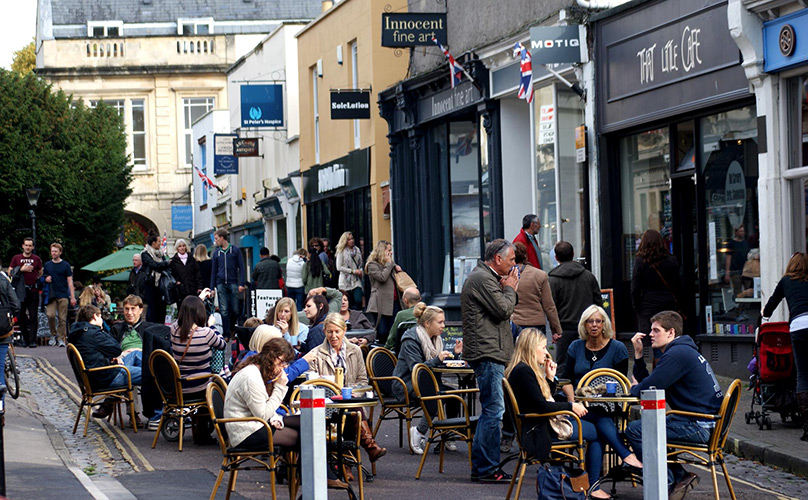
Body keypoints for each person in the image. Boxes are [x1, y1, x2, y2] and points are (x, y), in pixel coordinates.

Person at [505, 328, 616, 499]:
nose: (546, 351)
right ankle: (593, 485)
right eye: (542, 347)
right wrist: (571, 406)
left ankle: (595, 480)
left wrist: (550, 378)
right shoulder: (523, 371)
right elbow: (541, 406)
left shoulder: (521, 369)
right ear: (531, 347)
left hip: (537, 426)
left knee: (597, 421)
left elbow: (538, 401)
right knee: (597, 433)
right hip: (539, 430)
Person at [627, 311, 724, 500]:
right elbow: (650, 385)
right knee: (656, 427)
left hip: (699, 426)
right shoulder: (682, 350)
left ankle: (667, 483)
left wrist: (634, 389)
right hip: (704, 422)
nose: (651, 335)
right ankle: (679, 477)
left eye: (656, 330)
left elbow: (643, 389)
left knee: (635, 430)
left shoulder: (677, 355)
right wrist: (638, 355)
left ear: (671, 333)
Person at [559, 305, 640, 495]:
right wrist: (574, 402)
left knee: (600, 418)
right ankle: (624, 457)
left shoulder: (617, 348)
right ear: (584, 325)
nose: (594, 325)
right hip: (580, 408)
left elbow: (620, 383)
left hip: (609, 406)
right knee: (596, 432)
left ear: (604, 324)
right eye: (590, 321)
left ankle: (593, 484)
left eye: (598, 321)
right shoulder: (575, 346)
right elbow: (566, 379)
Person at [461, 238, 519, 482]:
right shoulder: (483, 279)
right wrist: (511, 288)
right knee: (494, 411)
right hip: (487, 353)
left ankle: (483, 467)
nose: (514, 265)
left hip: (491, 351)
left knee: (492, 410)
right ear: (498, 258)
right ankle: (486, 469)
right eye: (511, 259)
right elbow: (504, 310)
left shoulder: (487, 277)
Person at [307, 313, 387, 462]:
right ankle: (368, 449)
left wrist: (353, 391)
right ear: (324, 331)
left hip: (350, 400)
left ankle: (346, 464)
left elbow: (362, 380)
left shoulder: (355, 351)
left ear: (344, 331)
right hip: (326, 404)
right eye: (330, 331)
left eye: (337, 331)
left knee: (352, 410)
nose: (334, 336)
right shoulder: (316, 353)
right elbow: (312, 383)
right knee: (353, 412)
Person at [394, 303, 463, 454]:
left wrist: (455, 354)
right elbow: (417, 370)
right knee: (437, 396)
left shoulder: (436, 339)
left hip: (429, 383)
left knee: (453, 395)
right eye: (440, 322)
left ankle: (448, 434)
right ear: (427, 323)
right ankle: (418, 432)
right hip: (406, 384)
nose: (443, 326)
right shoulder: (410, 339)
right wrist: (438, 359)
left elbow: (436, 365)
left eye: (443, 322)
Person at [762, 252, 808, 441]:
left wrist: (765, 315)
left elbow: (772, 302)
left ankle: (807, 428)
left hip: (798, 328)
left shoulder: (786, 281)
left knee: (803, 375)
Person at [170, 293, 227, 444]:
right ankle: (214, 430)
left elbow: (180, 320)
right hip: (200, 386)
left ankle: (200, 426)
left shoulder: (174, 330)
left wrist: (198, 299)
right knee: (222, 384)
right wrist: (213, 324)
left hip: (180, 386)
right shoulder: (207, 333)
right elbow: (222, 344)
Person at [224, 338, 299, 449]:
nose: (284, 367)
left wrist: (275, 417)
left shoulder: (256, 370)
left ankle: (294, 466)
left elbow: (263, 405)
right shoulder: (251, 377)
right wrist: (280, 387)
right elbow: (262, 415)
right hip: (245, 432)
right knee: (300, 437)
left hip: (253, 423)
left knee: (303, 423)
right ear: (271, 358)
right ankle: (297, 466)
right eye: (281, 362)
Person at [548, 241, 601, 373]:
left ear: (556, 257)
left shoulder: (553, 280)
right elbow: (598, 303)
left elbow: (551, 307)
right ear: (573, 254)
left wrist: (554, 329)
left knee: (563, 366)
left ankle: (563, 392)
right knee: (590, 362)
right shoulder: (589, 277)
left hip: (564, 328)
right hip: (587, 327)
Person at [67, 305, 130, 391]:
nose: (102, 320)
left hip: (94, 376)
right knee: (146, 374)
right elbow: (117, 349)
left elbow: (92, 354)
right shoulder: (94, 334)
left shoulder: (79, 332)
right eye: (100, 317)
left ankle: (110, 401)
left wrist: (110, 359)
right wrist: (102, 330)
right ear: (95, 316)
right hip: (105, 378)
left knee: (135, 355)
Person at [632, 229, 683, 333]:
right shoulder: (670, 260)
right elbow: (678, 284)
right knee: (668, 334)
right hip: (668, 303)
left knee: (650, 337)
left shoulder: (640, 261)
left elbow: (635, 287)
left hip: (648, 305)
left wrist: (637, 306)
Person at [511, 242, 561, 335]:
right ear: (526, 256)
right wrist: (556, 329)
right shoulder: (540, 275)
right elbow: (549, 306)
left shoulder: (507, 276)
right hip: (536, 323)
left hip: (515, 323)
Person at [210, 228, 246, 341]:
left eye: (216, 239)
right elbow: (214, 271)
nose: (215, 241)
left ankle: (232, 329)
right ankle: (226, 334)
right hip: (221, 283)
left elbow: (242, 267)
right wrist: (212, 287)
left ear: (222, 238)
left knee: (235, 309)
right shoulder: (217, 253)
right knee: (223, 309)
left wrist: (242, 283)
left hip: (233, 282)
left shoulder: (235, 250)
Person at [365, 240, 401, 344]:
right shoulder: (372, 265)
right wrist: (389, 264)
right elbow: (382, 277)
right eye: (389, 250)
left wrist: (395, 267)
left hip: (394, 302)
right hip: (380, 303)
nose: (391, 253)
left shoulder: (390, 264)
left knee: (394, 331)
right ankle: (381, 354)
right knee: (383, 332)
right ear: (382, 251)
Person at [9, 237, 42, 348]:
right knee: (20, 315)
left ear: (32, 247)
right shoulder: (16, 258)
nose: (28, 247)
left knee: (33, 316)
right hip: (20, 290)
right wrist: (21, 269)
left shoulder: (36, 258)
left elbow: (40, 272)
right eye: (26, 245)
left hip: (33, 290)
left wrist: (35, 279)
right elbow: (10, 272)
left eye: (30, 245)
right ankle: (26, 338)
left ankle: (32, 340)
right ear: (23, 246)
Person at [43, 242, 77, 347]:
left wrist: (72, 296)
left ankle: (61, 338)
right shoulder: (47, 265)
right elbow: (42, 278)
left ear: (60, 252)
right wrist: (46, 279)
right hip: (51, 295)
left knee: (62, 318)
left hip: (63, 294)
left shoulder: (65, 265)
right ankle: (53, 334)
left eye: (55, 251)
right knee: (50, 315)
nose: (53, 253)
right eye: (52, 251)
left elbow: (70, 282)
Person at [0, 260, 20, 400]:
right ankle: (1, 409)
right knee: (0, 366)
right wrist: (12, 317)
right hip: (3, 329)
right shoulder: (4, 280)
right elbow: (16, 304)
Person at [141, 232, 170, 324]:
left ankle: (161, 326)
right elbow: (154, 265)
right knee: (152, 308)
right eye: (158, 241)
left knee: (162, 308)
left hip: (161, 284)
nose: (160, 243)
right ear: (153, 243)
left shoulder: (161, 254)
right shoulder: (145, 254)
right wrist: (166, 263)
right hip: (151, 284)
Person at [385, 286, 421, 353]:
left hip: (405, 351)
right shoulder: (428, 312)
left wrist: (386, 348)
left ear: (405, 300)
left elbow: (392, 337)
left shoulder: (401, 315)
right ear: (420, 299)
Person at [336, 232, 364, 309]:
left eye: (352, 238)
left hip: (356, 279)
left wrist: (360, 271)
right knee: (348, 302)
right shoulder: (341, 251)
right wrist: (353, 271)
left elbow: (360, 264)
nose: (351, 241)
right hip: (345, 280)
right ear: (345, 241)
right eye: (349, 239)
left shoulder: (357, 250)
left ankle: (358, 315)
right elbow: (339, 267)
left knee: (359, 300)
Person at [170, 238, 202, 306]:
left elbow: (197, 273)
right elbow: (172, 274)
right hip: (181, 291)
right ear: (177, 248)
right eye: (180, 246)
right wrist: (177, 282)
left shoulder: (191, 259)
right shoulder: (174, 261)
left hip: (192, 289)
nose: (182, 248)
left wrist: (199, 287)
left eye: (183, 246)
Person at [724, 226, 750, 295]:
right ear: (736, 232)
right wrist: (727, 272)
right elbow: (728, 258)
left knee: (748, 290)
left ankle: (744, 305)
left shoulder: (745, 243)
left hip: (745, 270)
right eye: (740, 231)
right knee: (737, 290)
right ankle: (739, 305)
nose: (742, 233)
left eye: (743, 231)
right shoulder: (731, 244)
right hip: (735, 271)